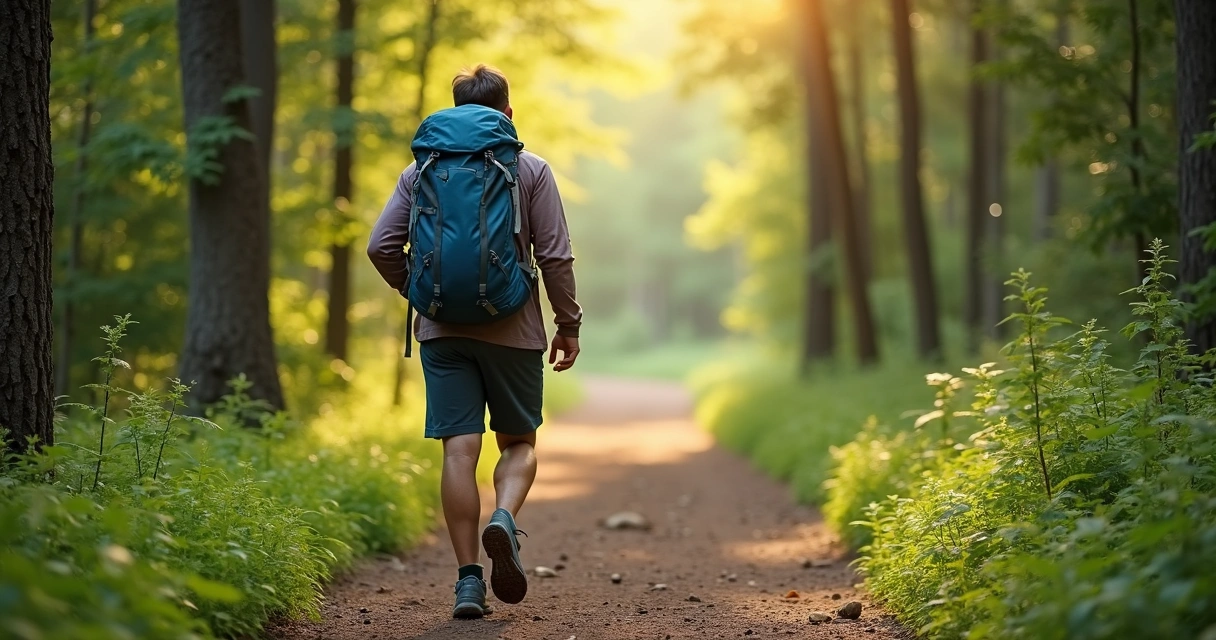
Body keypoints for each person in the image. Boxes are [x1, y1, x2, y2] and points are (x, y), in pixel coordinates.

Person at [366, 64, 582, 620]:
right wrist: (569, 324)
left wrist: (419, 293)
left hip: (442, 331)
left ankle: (467, 584)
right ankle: (504, 518)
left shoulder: (420, 172)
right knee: (518, 444)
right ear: (507, 113)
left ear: (456, 109)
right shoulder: (529, 169)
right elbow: (555, 255)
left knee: (459, 451)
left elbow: (381, 247)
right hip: (513, 330)